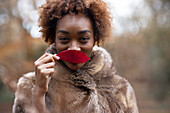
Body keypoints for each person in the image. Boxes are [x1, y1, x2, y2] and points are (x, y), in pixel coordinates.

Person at [13, 0, 139, 113]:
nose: (73, 48)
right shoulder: (29, 85)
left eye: (83, 39)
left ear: (95, 39)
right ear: (54, 39)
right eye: (64, 39)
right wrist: (39, 92)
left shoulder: (121, 90)